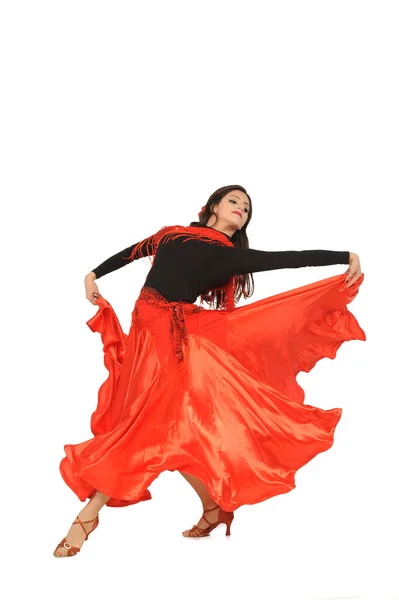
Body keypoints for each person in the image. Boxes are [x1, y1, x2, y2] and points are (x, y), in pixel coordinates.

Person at [53, 185, 365, 557]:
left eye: (247, 208)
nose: (241, 209)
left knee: (142, 424)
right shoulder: (171, 234)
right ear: (213, 206)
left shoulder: (229, 257)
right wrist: (93, 274)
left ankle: (87, 517)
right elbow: (131, 253)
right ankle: (213, 509)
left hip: (178, 341)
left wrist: (346, 255)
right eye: (234, 201)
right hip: (145, 337)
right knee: (171, 429)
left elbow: (291, 258)